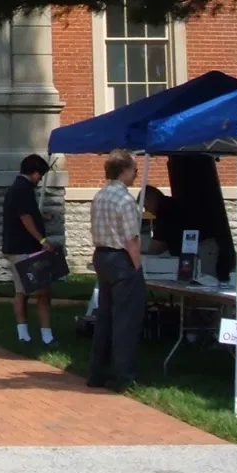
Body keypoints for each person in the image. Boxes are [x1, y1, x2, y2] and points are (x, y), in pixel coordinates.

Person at [87, 149, 145, 393]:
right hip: (121, 258)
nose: (136, 173)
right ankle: (125, 373)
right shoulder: (124, 199)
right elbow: (131, 238)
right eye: (134, 169)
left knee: (105, 315)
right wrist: (138, 267)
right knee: (126, 318)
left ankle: (97, 372)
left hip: (101, 255)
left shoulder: (100, 196)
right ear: (124, 171)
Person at [1, 153, 58, 346]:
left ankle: (23, 334)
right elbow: (25, 217)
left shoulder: (15, 189)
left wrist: (42, 217)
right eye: (39, 175)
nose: (39, 179)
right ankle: (46, 335)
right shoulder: (23, 189)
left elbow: (24, 214)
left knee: (21, 292)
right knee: (41, 292)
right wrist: (42, 239)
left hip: (14, 247)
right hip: (25, 248)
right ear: (33, 172)